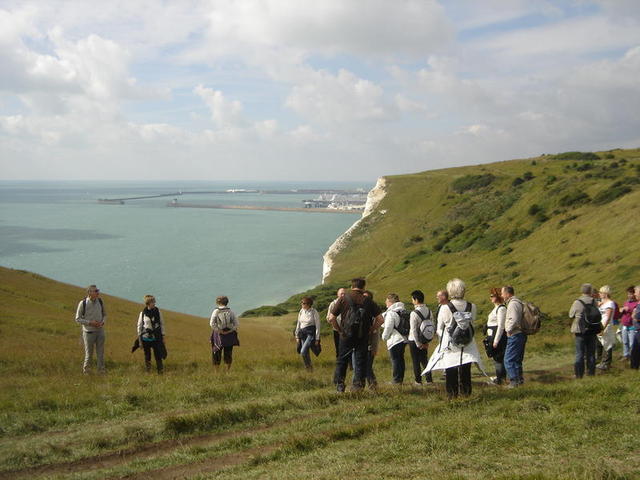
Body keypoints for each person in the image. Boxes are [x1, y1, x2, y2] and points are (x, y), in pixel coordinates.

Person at [424, 279, 483, 398]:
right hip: (468, 343)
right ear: (463, 291)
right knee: (466, 368)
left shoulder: (444, 308)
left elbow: (439, 328)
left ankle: (452, 395)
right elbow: (472, 322)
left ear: (450, 291)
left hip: (450, 344)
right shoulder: (472, 306)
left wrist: (445, 337)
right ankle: (466, 394)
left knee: (450, 369)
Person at [328, 277, 384, 392]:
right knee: (360, 361)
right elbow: (380, 320)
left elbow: (331, 318)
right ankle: (357, 387)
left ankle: (340, 386)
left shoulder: (344, 298)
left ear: (352, 287)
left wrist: (339, 330)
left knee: (342, 360)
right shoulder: (368, 301)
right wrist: (371, 329)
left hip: (346, 334)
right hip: (362, 335)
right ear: (364, 288)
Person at [75, 285, 107, 374]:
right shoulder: (83, 303)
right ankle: (86, 371)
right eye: (95, 291)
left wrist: (102, 322)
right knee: (89, 354)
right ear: (89, 292)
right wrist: (90, 322)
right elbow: (77, 319)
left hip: (100, 331)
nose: (98, 292)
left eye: (98, 290)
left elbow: (105, 315)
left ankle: (101, 371)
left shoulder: (100, 301)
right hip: (88, 332)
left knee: (100, 353)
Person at [569, 283, 599, 378]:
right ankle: (591, 373)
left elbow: (571, 314)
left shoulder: (577, 302)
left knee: (579, 353)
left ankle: (579, 374)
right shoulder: (594, 301)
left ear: (582, 291)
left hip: (580, 330)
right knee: (591, 353)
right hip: (592, 329)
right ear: (590, 291)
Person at [381, 293, 409, 385]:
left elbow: (388, 327)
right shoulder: (403, 310)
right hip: (404, 338)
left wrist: (384, 337)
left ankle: (396, 380)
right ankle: (400, 378)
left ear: (390, 302)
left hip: (395, 339)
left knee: (395, 360)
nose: (385, 303)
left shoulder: (391, 313)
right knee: (401, 359)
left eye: (386, 301)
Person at [502, 285, 526, 388]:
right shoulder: (517, 302)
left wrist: (508, 329)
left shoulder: (513, 304)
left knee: (509, 359)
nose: (502, 296)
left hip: (515, 334)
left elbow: (514, 319)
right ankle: (519, 380)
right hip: (519, 333)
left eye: (503, 293)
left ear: (508, 294)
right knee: (516, 359)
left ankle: (514, 381)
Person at [408, 290, 433, 385]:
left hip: (414, 340)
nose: (412, 301)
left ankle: (418, 380)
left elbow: (413, 330)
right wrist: (427, 341)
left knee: (416, 361)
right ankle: (429, 379)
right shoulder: (429, 311)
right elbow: (432, 325)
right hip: (425, 338)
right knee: (425, 360)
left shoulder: (414, 313)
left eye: (412, 299)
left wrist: (418, 344)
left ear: (416, 299)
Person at [137, 295, 165, 374]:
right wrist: (140, 340)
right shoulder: (142, 314)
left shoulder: (158, 312)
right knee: (147, 356)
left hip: (156, 337)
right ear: (148, 303)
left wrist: (163, 336)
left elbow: (162, 324)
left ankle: (160, 371)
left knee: (158, 355)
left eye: (154, 301)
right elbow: (139, 326)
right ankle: (148, 371)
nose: (154, 303)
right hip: (145, 338)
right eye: (152, 302)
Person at [209, 296, 239, 370]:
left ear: (218, 303)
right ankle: (227, 371)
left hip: (218, 333)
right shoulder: (230, 311)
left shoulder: (216, 311)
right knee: (228, 352)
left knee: (216, 352)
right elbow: (236, 324)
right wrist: (230, 331)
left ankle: (217, 372)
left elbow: (212, 324)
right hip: (230, 334)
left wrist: (219, 331)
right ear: (227, 302)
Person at [484, 287, 507, 384]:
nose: (490, 298)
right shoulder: (496, 308)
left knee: (499, 357)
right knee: (496, 357)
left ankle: (500, 379)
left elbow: (501, 326)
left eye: (492, 296)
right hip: (491, 335)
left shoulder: (501, 309)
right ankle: (499, 378)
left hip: (498, 336)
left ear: (497, 296)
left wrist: (496, 340)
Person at [295, 296, 321, 370]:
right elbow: (298, 323)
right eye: (302, 303)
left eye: (304, 303)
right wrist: (297, 335)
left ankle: (309, 367)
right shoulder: (301, 311)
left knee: (303, 351)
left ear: (309, 304)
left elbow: (318, 325)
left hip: (311, 333)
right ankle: (309, 369)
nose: (302, 304)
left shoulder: (314, 312)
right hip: (302, 333)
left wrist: (317, 338)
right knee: (306, 353)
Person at [596, 285, 616, 370]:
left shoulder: (610, 303)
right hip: (600, 324)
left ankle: (606, 363)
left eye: (601, 292)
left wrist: (603, 328)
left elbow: (608, 317)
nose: (599, 294)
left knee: (607, 344)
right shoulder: (601, 302)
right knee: (601, 343)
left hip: (606, 326)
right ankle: (602, 361)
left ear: (606, 293)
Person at [363, 290, 379, 388]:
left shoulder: (373, 313)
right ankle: (371, 384)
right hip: (362, 343)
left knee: (367, 366)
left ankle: (373, 384)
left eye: (366, 297)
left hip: (369, 344)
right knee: (365, 366)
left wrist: (374, 347)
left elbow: (376, 333)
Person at [619, 286, 638, 361]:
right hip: (624, 325)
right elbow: (621, 310)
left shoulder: (637, 303)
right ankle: (626, 355)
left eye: (630, 294)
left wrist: (629, 310)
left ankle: (633, 356)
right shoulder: (626, 302)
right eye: (628, 294)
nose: (629, 295)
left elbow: (635, 313)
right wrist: (622, 309)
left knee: (632, 343)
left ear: (634, 294)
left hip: (632, 326)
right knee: (625, 342)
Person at [327, 288, 346, 359]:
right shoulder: (333, 304)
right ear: (338, 295)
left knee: (348, 347)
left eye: (344, 293)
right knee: (338, 347)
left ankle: (350, 365)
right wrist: (333, 322)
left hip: (346, 329)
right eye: (341, 294)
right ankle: (339, 362)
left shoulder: (348, 303)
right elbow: (328, 317)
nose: (343, 295)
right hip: (336, 329)